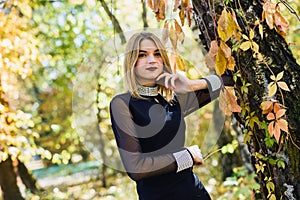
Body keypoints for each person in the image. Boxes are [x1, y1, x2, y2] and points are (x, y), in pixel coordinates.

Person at [110, 31, 233, 200]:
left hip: (195, 193)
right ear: (132, 62)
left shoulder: (173, 100)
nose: (152, 60)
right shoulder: (122, 104)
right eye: (143, 55)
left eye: (157, 54)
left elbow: (227, 81)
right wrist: (187, 156)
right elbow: (136, 168)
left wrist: (191, 84)